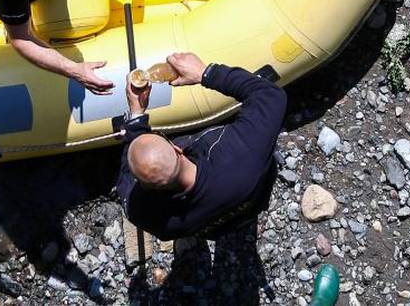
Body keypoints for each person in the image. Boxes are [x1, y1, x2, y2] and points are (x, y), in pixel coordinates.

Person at [115, 51, 286, 241]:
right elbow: (270, 95)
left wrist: (136, 118)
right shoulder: (241, 153)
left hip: (208, 225)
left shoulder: (145, 214)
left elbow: (126, 186)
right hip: (252, 195)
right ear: (176, 149)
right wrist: (205, 73)